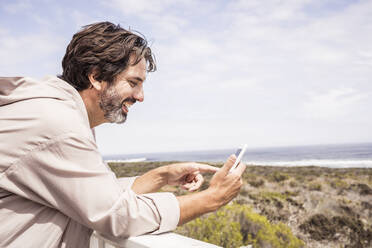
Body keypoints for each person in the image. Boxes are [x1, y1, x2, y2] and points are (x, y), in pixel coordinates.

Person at [0, 21, 246, 248]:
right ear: (96, 77)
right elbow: (116, 215)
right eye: (133, 82)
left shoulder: (60, 114)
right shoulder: (56, 123)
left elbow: (92, 195)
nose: (140, 96)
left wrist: (160, 176)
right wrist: (212, 198)